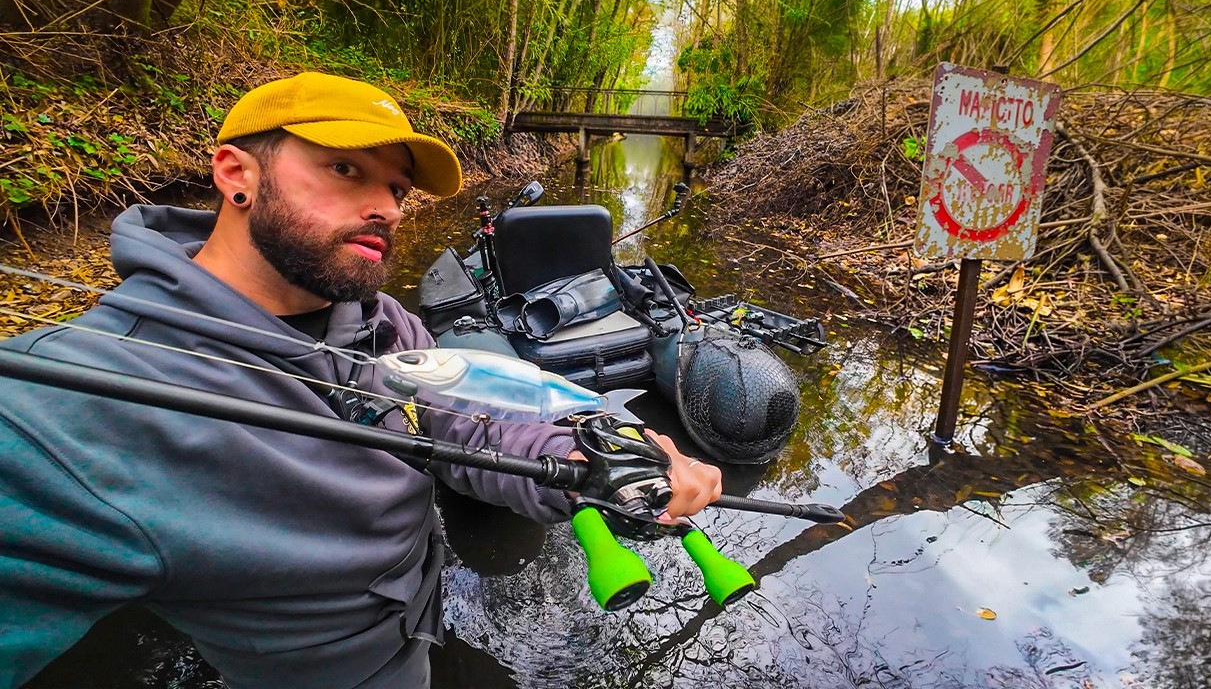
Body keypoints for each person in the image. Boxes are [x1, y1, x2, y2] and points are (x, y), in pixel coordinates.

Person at [0, 72, 723, 688]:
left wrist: (580, 463)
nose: (385, 206)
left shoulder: (381, 323)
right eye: (346, 169)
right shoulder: (65, 405)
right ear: (236, 173)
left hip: (423, 620)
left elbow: (461, 426)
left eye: (397, 187)